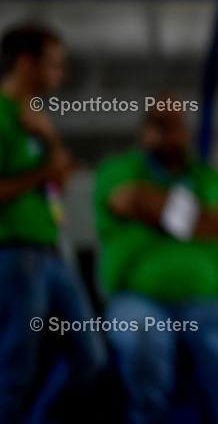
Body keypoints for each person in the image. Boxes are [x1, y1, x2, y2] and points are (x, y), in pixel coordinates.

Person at [94, 98, 218, 423]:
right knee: (143, 341)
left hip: (206, 298)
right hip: (137, 296)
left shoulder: (207, 174)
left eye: (174, 126)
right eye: (158, 126)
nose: (167, 135)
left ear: (185, 131)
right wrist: (195, 217)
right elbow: (128, 200)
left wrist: (157, 212)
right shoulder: (118, 169)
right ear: (144, 131)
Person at [0, 24, 107, 422]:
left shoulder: (36, 116)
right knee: (17, 366)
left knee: (90, 357)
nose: (60, 74)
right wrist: (43, 170)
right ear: (26, 63)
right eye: (54, 64)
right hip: (15, 252)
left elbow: (57, 180)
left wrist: (51, 139)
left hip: (51, 251)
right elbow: (44, 175)